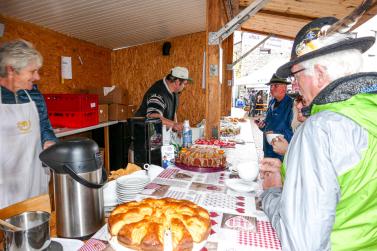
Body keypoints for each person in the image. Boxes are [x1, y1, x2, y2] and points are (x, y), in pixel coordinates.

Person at [260, 17, 377, 250]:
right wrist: (289, 173)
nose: (294, 85)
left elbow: (301, 242)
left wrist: (272, 191)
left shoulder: (320, 128)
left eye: (296, 76)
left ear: (320, 73)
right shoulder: (367, 112)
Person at [0, 39, 57, 209]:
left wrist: (49, 142)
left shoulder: (34, 95)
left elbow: (45, 127)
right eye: (32, 71)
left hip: (34, 182)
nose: (37, 77)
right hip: (4, 189)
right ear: (11, 70)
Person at [135, 66, 192, 131]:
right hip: (142, 134)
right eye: (184, 84)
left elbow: (173, 113)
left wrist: (176, 129)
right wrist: (174, 125)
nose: (184, 87)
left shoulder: (174, 93)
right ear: (177, 82)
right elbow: (153, 117)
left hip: (157, 135)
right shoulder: (157, 93)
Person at [256, 74, 293, 161]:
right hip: (267, 149)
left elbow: (294, 131)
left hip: (280, 152)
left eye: (275, 85)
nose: (272, 88)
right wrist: (263, 126)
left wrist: (276, 133)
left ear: (284, 88)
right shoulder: (271, 102)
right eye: (271, 86)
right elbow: (268, 122)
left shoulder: (291, 105)